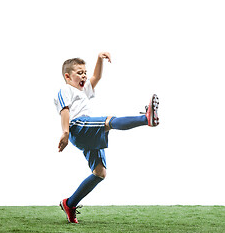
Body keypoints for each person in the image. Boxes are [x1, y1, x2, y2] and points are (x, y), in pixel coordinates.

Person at [54, 52, 159, 223]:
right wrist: (65, 133)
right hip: (78, 127)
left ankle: (69, 204)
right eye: (79, 73)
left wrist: (99, 59)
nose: (84, 75)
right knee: (108, 122)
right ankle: (146, 119)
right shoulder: (65, 90)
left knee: (99, 173)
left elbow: (96, 76)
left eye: (84, 72)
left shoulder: (83, 90)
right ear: (67, 76)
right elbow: (64, 111)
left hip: (87, 132)